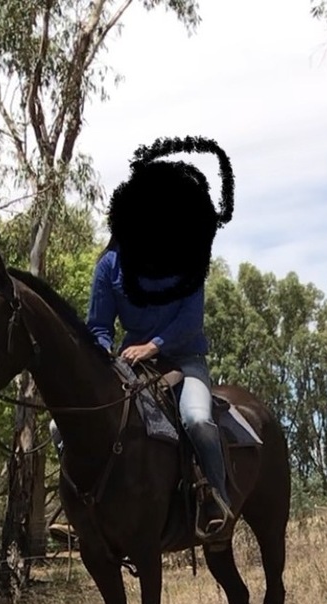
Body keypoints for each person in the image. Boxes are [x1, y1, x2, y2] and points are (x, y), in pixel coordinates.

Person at [84, 136, 236, 538]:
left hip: (184, 361)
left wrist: (153, 345)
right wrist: (102, 358)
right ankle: (84, 507)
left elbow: (190, 320)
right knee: (60, 427)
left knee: (198, 420)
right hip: (130, 366)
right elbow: (99, 327)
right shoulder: (108, 267)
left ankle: (216, 502)